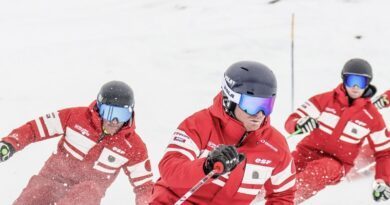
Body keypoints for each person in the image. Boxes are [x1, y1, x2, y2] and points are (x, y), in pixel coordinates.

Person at [150, 61, 296, 205]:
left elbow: (283, 195)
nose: (259, 114)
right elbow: (169, 169)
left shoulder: (275, 146)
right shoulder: (200, 124)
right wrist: (206, 167)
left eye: (266, 105)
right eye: (251, 105)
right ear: (230, 100)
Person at [0, 81, 153, 205]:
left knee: (89, 190)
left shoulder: (133, 147)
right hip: (51, 180)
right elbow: (35, 129)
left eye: (121, 115)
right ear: (99, 109)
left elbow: (145, 187)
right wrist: (10, 144)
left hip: (84, 196)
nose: (114, 121)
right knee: (38, 191)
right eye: (110, 113)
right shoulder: (75, 117)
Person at [284, 58, 390, 203]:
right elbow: (293, 119)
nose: (355, 87)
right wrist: (298, 124)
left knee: (321, 169)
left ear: (368, 84)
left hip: (336, 163)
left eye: (362, 82)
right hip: (306, 152)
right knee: (282, 172)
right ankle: (254, 196)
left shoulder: (372, 117)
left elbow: (384, 152)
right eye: (351, 80)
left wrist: (382, 181)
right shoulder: (325, 99)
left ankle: (287, 200)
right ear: (344, 79)